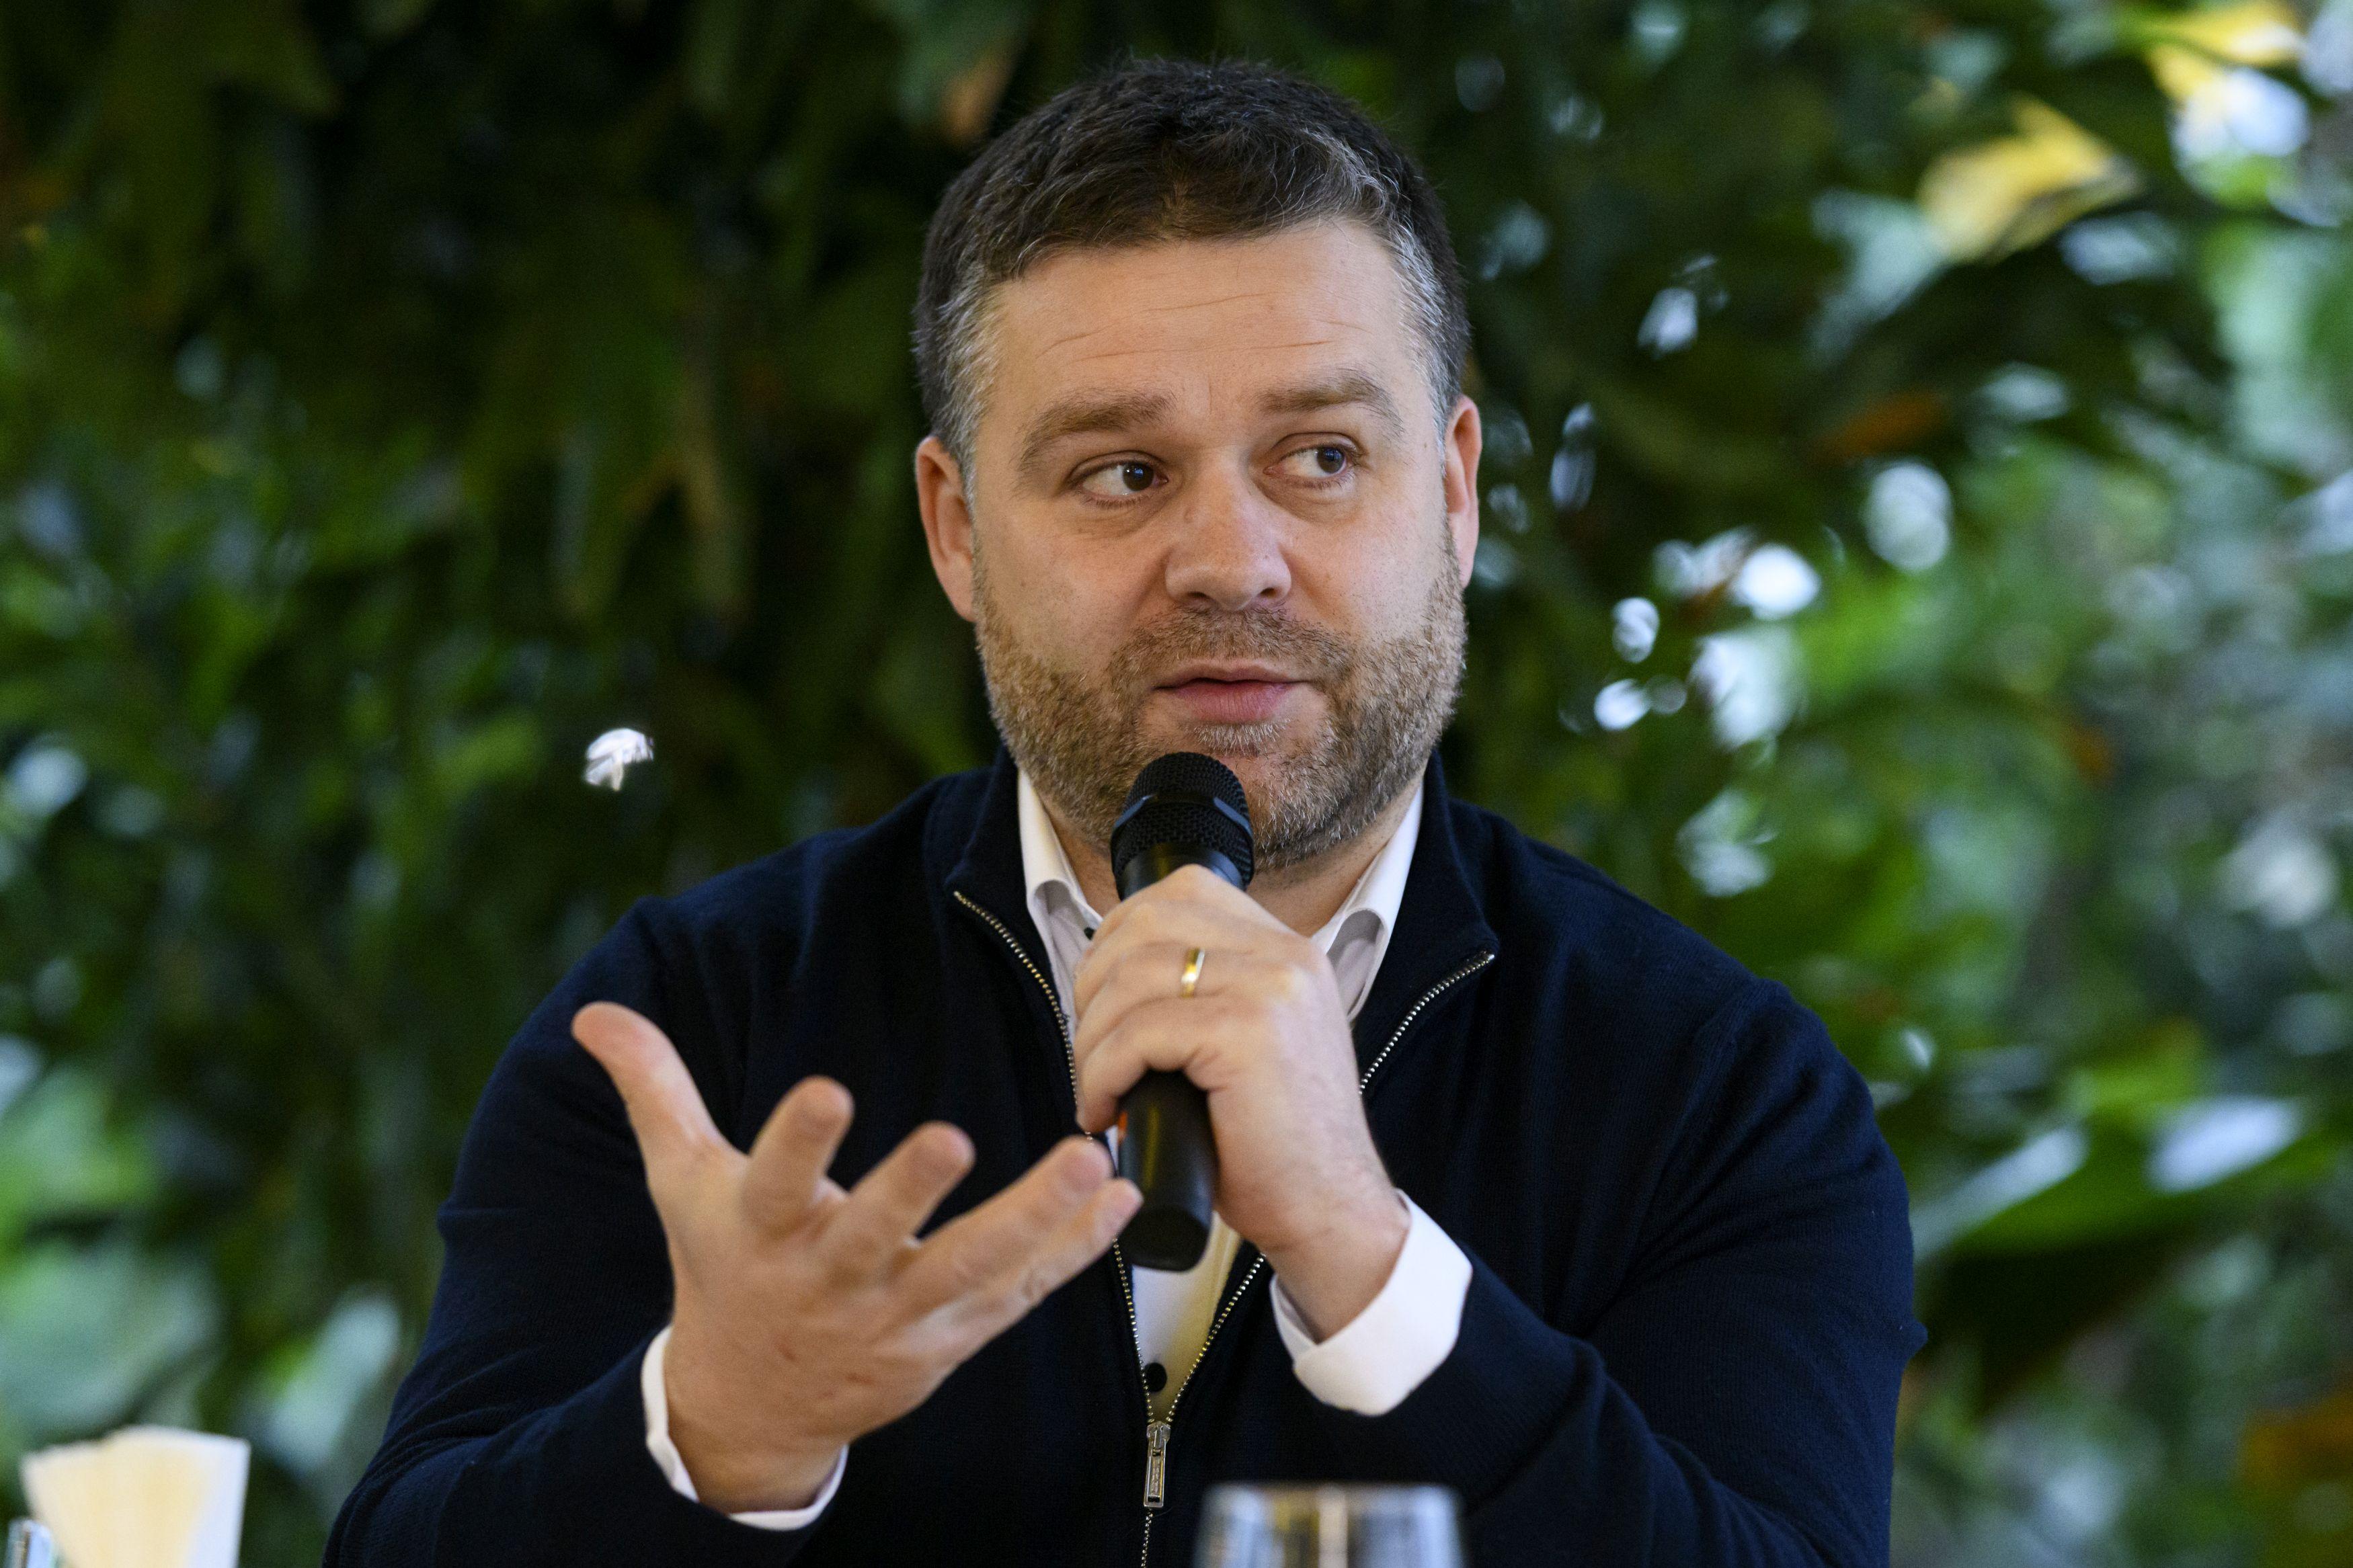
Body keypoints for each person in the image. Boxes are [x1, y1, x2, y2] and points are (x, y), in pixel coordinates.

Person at [327, 57, 1925, 1567]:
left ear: (1452, 494)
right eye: (1121, 473)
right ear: (957, 531)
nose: (1229, 562)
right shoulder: (703, 1025)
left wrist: (1369, 1266)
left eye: (1319, 456)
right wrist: (715, 1434)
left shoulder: (1720, 1095)